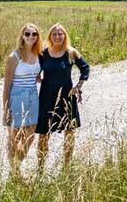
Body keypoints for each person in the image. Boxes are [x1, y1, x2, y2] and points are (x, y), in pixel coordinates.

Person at [36, 23, 90, 170]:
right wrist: (37, 78)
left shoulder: (71, 52)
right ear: (50, 37)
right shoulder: (44, 53)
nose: (58, 36)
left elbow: (85, 68)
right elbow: (35, 69)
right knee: (43, 134)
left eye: (60, 34)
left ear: (64, 36)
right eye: (54, 34)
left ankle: (66, 167)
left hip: (67, 96)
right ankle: (40, 169)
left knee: (70, 131)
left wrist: (78, 87)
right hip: (47, 96)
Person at [2, 23, 42, 177]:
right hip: (17, 96)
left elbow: (35, 75)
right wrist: (6, 109)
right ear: (22, 36)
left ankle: (17, 164)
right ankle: (15, 170)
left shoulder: (39, 54)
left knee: (31, 133)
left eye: (34, 34)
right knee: (15, 136)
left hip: (33, 95)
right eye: (27, 34)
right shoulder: (14, 57)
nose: (31, 37)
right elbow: (6, 86)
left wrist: (42, 79)